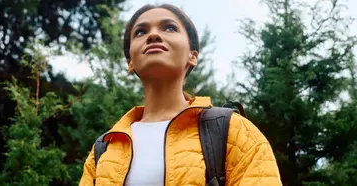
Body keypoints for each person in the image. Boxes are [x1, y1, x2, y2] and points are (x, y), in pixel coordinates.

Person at [78, 4, 282, 186]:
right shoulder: (105, 147)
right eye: (140, 32)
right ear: (130, 62)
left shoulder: (234, 131)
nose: (153, 35)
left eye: (169, 28)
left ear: (193, 56)